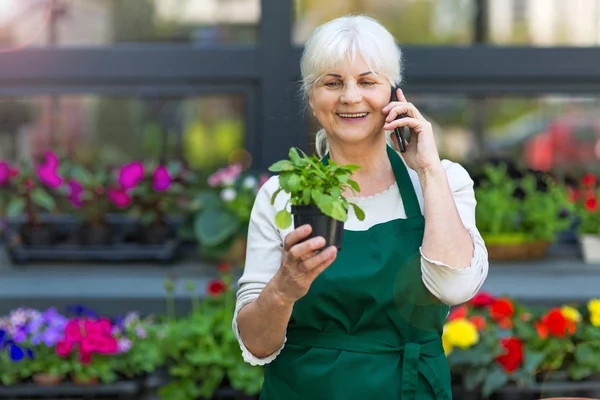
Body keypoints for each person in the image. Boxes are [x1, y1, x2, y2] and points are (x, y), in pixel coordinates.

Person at [233, 14, 489, 400]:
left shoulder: (442, 181)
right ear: (311, 96)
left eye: (368, 81)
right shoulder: (283, 196)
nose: (350, 96)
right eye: (332, 83)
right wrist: (284, 289)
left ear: (394, 94)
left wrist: (428, 169)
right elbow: (257, 345)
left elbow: (455, 287)